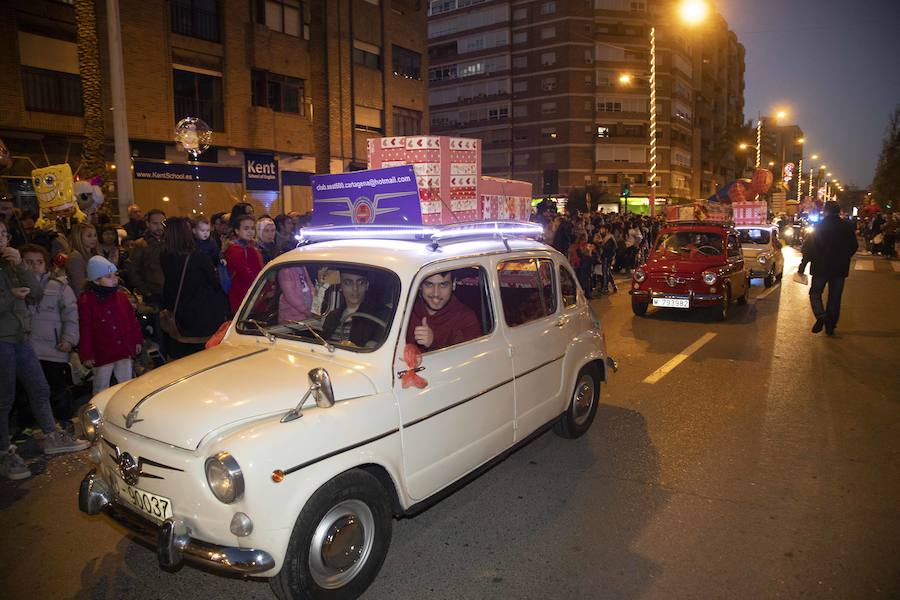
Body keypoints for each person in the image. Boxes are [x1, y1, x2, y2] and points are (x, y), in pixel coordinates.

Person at [1, 221, 89, 480]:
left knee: (40, 388)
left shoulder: (11, 265)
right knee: (4, 399)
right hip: (3, 339)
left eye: (5, 234)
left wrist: (19, 265)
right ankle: (5, 452)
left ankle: (52, 436)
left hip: (21, 336)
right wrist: (11, 297)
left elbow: (36, 292)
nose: (3, 239)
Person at [22, 244, 80, 423]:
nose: (34, 266)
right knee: (28, 389)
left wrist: (68, 340)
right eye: (29, 262)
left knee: (57, 388)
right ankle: (31, 424)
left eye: (39, 262)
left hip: (53, 348)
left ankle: (64, 422)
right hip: (27, 348)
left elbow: (70, 315)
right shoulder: (16, 287)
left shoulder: (59, 287)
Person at [160, 217, 229, 359]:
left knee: (183, 356)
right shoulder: (197, 257)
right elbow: (215, 283)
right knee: (203, 356)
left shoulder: (165, 255)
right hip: (202, 314)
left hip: (178, 312)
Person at [77, 256, 143, 393]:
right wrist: (87, 353)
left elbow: (132, 320)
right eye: (108, 276)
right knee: (101, 386)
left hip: (123, 348)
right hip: (103, 351)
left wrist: (137, 340)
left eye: (115, 275)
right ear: (96, 280)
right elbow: (85, 329)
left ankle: (126, 405)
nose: (114, 279)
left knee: (126, 384)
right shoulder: (87, 301)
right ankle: (100, 410)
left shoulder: (121, 297)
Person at [808, 201, 858, 336]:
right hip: (839, 268)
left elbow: (810, 247)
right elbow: (854, 246)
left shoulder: (818, 226)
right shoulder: (847, 226)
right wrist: (845, 257)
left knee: (815, 293)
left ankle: (821, 316)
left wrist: (804, 265)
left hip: (820, 267)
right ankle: (830, 326)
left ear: (826, 211)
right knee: (835, 298)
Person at [406, 271, 481, 352]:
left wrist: (433, 342)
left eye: (443, 285)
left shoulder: (466, 318)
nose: (436, 293)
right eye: (429, 284)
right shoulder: (406, 312)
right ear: (420, 285)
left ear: (453, 285)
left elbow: (471, 358)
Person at [320, 268, 390, 347]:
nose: (355, 288)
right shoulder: (332, 316)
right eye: (348, 283)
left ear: (367, 285)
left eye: (360, 282)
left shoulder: (379, 315)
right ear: (340, 286)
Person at [224, 214, 264, 313]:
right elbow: (248, 276)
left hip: (252, 297)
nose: (250, 231)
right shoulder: (236, 251)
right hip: (245, 299)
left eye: (252, 228)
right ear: (237, 231)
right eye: (246, 228)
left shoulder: (249, 247)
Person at [127, 208, 166, 306]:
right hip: (152, 294)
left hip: (170, 292)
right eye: (155, 223)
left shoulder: (170, 242)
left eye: (162, 223)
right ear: (148, 224)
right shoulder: (140, 244)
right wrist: (146, 292)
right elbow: (133, 270)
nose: (159, 226)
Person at [65, 222, 99, 296]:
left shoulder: (92, 254)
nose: (94, 239)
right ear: (79, 238)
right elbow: (79, 287)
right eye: (89, 236)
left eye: (95, 235)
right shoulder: (75, 257)